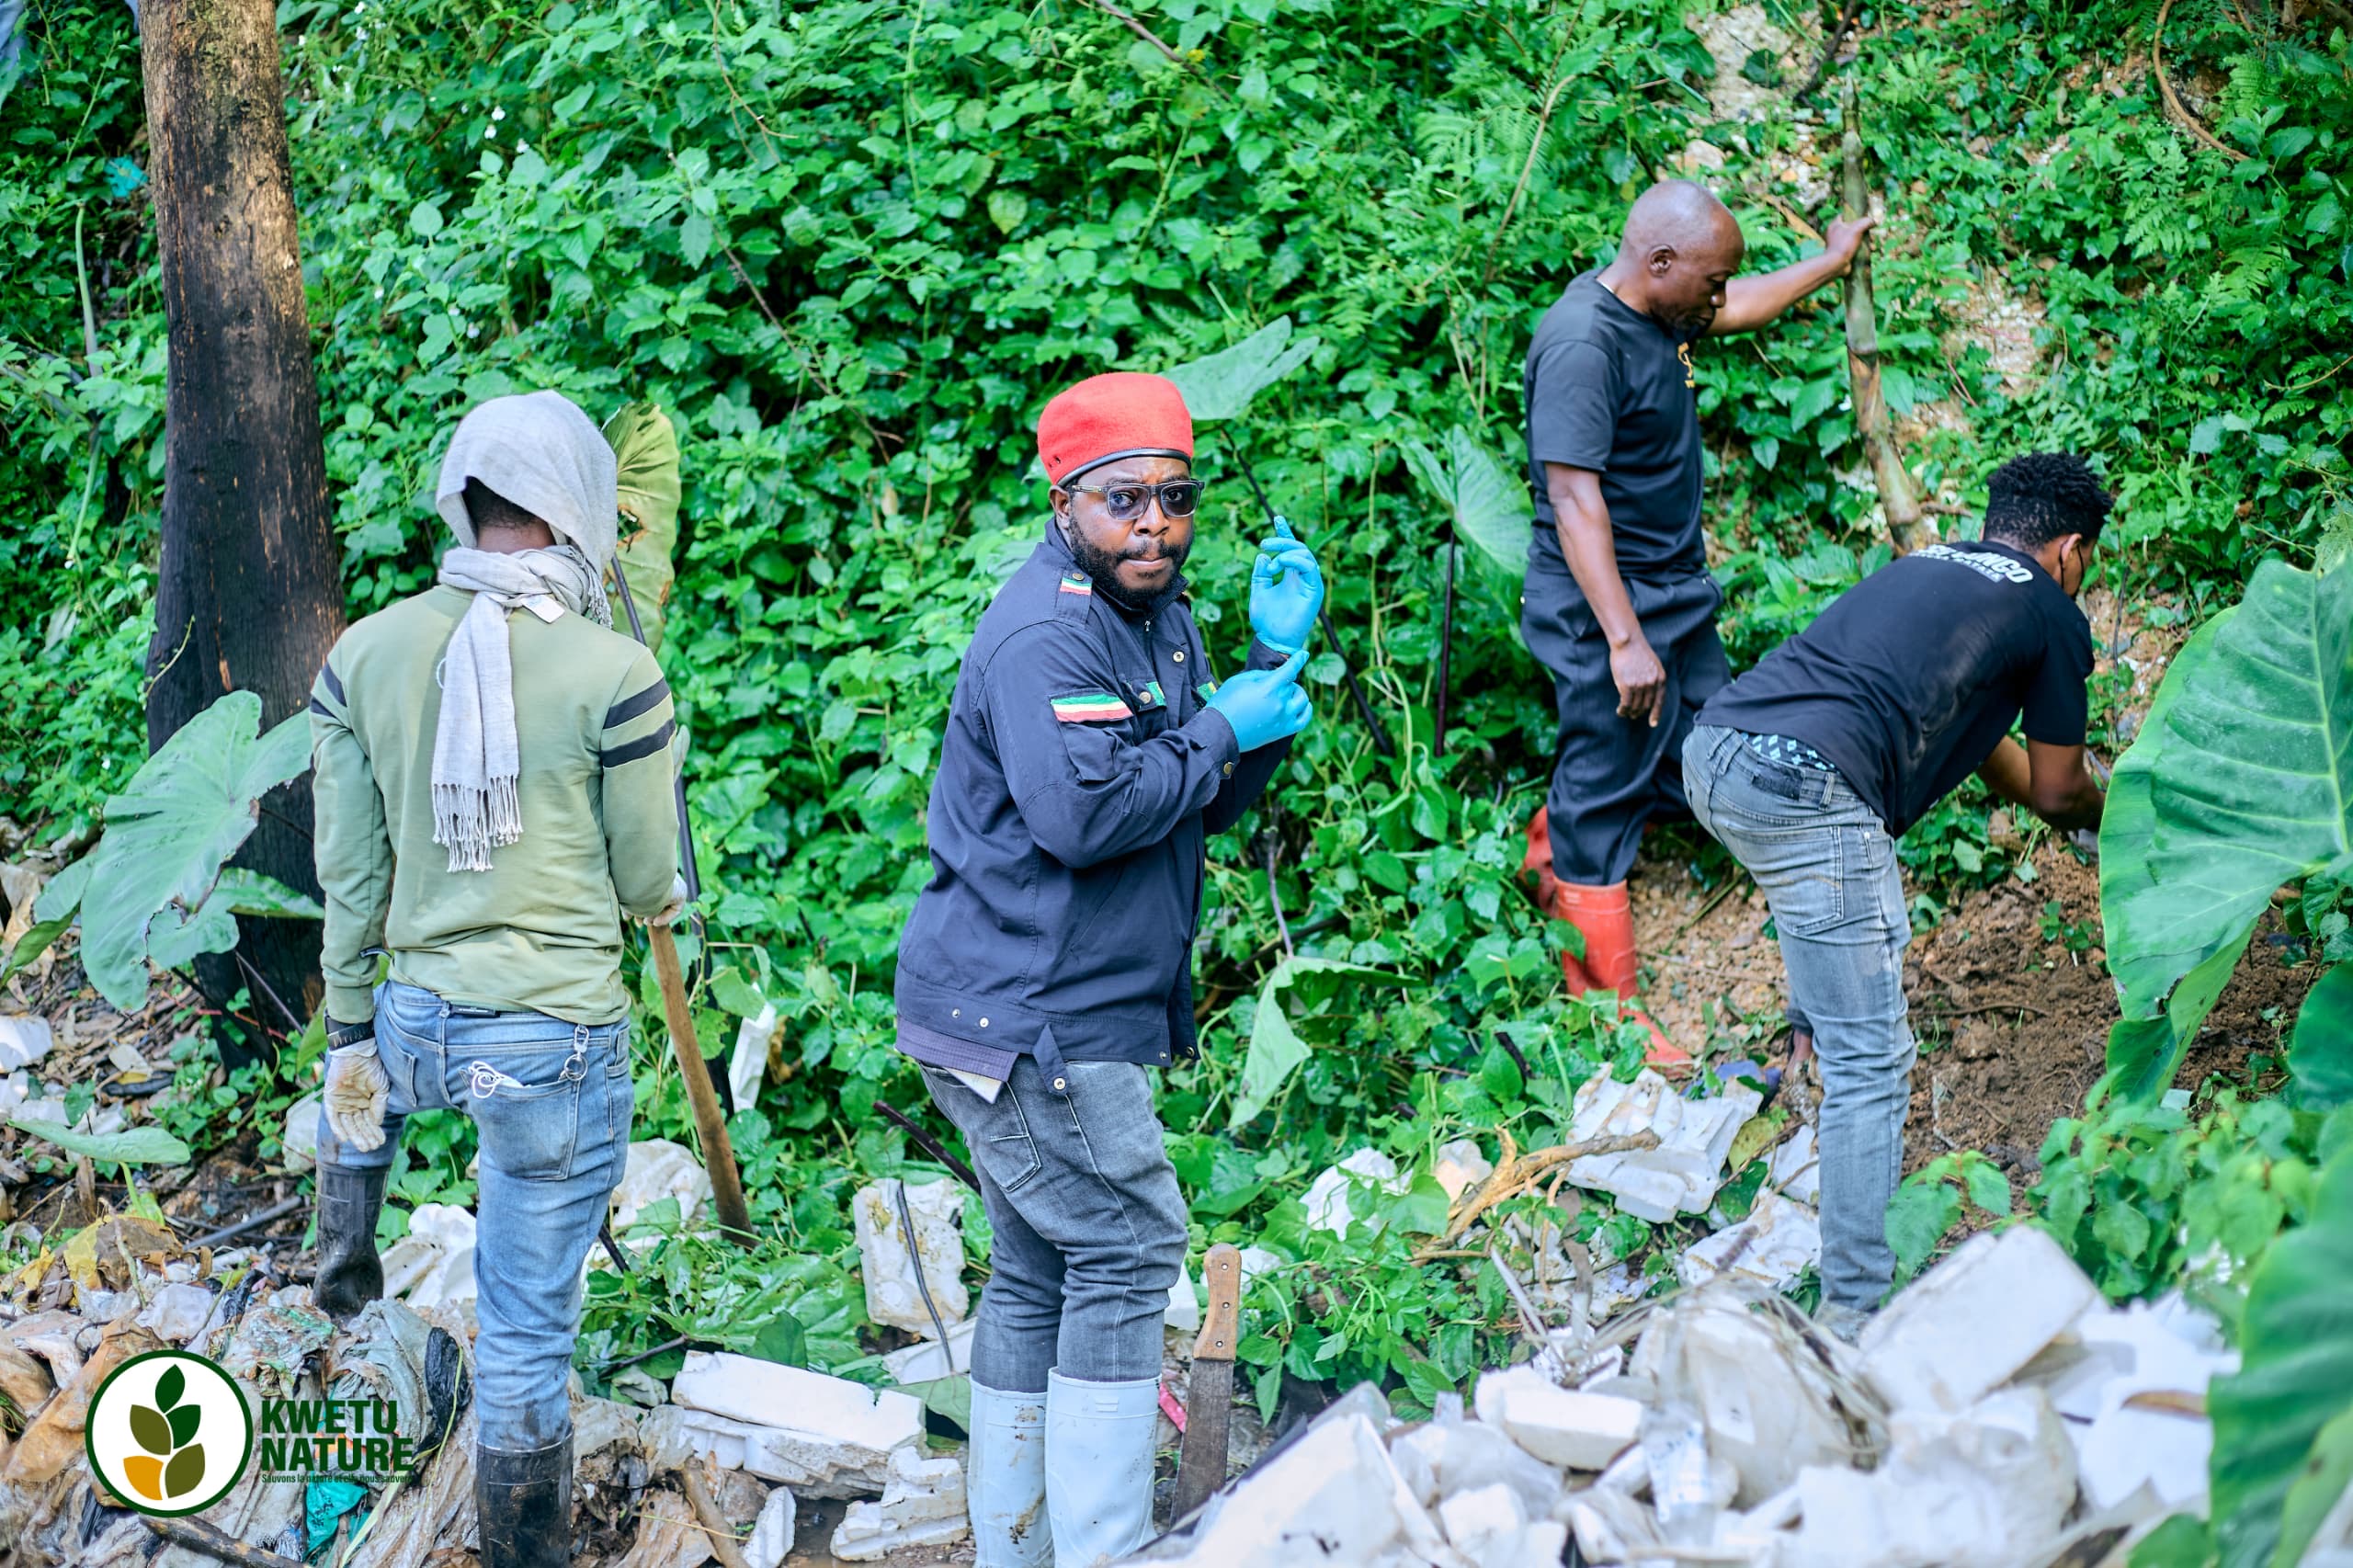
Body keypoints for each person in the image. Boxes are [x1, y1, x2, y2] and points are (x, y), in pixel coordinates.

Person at [893, 371, 1319, 1567]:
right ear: (1065, 497)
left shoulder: (1158, 612)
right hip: (1033, 1011)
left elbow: (1192, 800)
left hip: (1044, 1000)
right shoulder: (1048, 634)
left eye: (1176, 498)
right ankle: (1106, 1549)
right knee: (1130, 1243)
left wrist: (1269, 677)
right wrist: (1223, 725)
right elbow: (1084, 817)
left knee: (1041, 1261)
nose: (1155, 524)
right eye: (1124, 498)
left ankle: (1018, 1548)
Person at [307, 391, 686, 1568]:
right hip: (550, 1044)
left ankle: (346, 1264)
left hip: (414, 1023)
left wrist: (352, 1032)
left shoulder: (361, 653)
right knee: (526, 1331)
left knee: (371, 1106)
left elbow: (348, 873)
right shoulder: (614, 669)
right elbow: (643, 882)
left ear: (458, 498)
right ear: (577, 505)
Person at [1683, 451, 2111, 1325]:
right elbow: (2063, 789)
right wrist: (2125, 809)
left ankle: (1809, 1035)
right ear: (2070, 551)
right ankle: (1856, 1318)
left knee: (1827, 903)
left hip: (1720, 754)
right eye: (2088, 562)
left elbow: (1991, 749)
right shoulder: (2049, 610)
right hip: (1809, 786)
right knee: (1872, 1064)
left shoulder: (1934, 568)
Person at [1519, 180, 1874, 1056]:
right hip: (1605, 607)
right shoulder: (1580, 344)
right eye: (1710, 281)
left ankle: (1551, 854)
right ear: (1660, 261)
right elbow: (1571, 499)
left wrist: (1830, 263)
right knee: (1605, 782)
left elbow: (1740, 308)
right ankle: (1613, 1019)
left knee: (1712, 748)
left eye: (1721, 285)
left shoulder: (1663, 313)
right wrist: (1624, 640)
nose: (1719, 298)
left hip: (1671, 595)